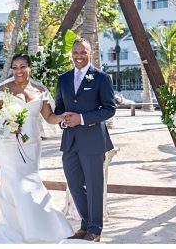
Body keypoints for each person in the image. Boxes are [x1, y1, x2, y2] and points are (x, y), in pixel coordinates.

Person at [0, 54, 73, 243]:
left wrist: (62, 116)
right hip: (9, 147)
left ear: (29, 68)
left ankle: (40, 227)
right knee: (16, 185)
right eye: (15, 67)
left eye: (23, 66)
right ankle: (21, 227)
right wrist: (9, 126)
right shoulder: (2, 90)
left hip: (32, 145)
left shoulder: (40, 91)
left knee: (31, 182)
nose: (18, 71)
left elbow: (49, 118)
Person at [53, 39, 117, 242]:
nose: (78, 56)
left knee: (94, 185)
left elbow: (109, 109)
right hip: (70, 141)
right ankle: (86, 224)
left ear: (90, 52)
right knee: (74, 184)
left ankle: (95, 230)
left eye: (83, 52)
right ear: (71, 54)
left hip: (93, 141)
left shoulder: (101, 78)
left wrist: (80, 119)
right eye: (75, 52)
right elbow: (59, 109)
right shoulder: (63, 79)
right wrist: (63, 122)